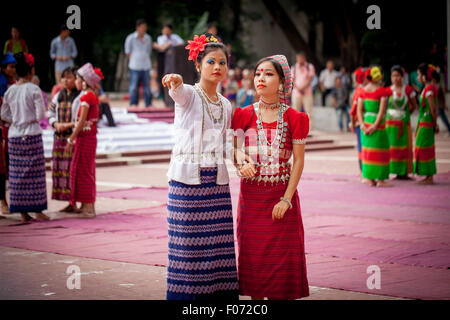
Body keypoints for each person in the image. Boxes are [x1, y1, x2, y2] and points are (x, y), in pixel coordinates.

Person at [161, 33, 238, 300]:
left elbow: (227, 143)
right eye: (210, 62)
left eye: (222, 62)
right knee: (189, 252)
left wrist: (244, 160)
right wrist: (176, 82)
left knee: (218, 250)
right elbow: (178, 93)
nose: (217, 67)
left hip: (217, 187)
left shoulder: (227, 104)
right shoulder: (190, 95)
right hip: (186, 186)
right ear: (198, 65)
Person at [232, 55, 310, 300]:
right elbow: (234, 149)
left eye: (268, 74)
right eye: (257, 74)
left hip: (282, 199)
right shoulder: (242, 114)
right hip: (252, 201)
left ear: (282, 81)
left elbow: (298, 161)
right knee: (255, 264)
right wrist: (240, 163)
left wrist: (286, 200)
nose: (260, 79)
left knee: (281, 269)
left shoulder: (295, 118)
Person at [1, 52, 49, 222]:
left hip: (14, 136)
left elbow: (4, 114)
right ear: (30, 72)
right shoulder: (34, 89)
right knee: (35, 175)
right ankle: (38, 211)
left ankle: (22, 213)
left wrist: (16, 119)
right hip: (32, 134)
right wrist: (28, 118)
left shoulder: (10, 91)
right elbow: (41, 115)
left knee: (17, 175)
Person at [65, 63, 102, 216]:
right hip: (86, 137)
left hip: (85, 138)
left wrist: (70, 139)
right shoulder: (89, 95)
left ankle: (89, 206)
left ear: (85, 81)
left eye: (78, 79)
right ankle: (85, 204)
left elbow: (81, 121)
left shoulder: (87, 96)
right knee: (83, 170)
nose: (76, 82)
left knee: (84, 171)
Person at [48, 66, 80, 212]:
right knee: (60, 169)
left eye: (69, 78)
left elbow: (81, 118)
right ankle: (69, 201)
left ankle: (74, 201)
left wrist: (67, 125)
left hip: (71, 138)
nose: (65, 81)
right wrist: (55, 123)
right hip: (59, 138)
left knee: (72, 170)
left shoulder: (79, 96)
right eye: (64, 77)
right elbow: (50, 112)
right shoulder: (58, 95)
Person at [357, 66, 391, 187]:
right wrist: (375, 126)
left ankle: (370, 179)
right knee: (380, 151)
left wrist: (362, 125)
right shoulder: (382, 91)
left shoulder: (362, 91)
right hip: (378, 124)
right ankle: (381, 180)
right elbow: (381, 112)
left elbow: (359, 111)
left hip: (366, 122)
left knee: (368, 152)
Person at [384, 65, 418, 180]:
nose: (395, 78)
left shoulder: (408, 90)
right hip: (390, 127)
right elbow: (383, 108)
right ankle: (393, 171)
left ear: (402, 76)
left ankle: (403, 172)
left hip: (403, 126)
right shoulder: (387, 90)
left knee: (404, 148)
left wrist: (404, 116)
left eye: (398, 75)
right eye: (393, 76)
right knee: (391, 148)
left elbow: (414, 106)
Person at [414, 64, 439, 184]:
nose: (418, 77)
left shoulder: (429, 89)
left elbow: (433, 109)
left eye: (419, 74)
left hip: (427, 122)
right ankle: (427, 175)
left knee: (425, 148)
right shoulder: (427, 88)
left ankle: (429, 177)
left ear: (424, 76)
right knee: (424, 148)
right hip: (425, 121)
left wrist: (435, 124)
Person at [0, 53, 16, 215]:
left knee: (11, 165)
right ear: (3, 69)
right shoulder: (2, 85)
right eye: (10, 67)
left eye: (14, 66)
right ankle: (3, 201)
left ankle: (15, 201)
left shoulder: (15, 84)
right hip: (3, 128)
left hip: (12, 129)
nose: (13, 69)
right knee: (2, 167)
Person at [125, 19, 153, 108]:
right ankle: (133, 103)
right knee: (133, 87)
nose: (144, 29)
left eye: (145, 27)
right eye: (142, 27)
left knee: (147, 87)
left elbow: (149, 51)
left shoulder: (148, 38)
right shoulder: (130, 38)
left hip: (146, 65)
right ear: (137, 27)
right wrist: (134, 59)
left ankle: (148, 104)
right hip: (134, 65)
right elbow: (128, 52)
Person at [153, 24, 184, 93]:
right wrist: (169, 44)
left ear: (170, 30)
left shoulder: (175, 37)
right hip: (163, 58)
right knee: (162, 75)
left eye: (167, 29)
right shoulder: (161, 38)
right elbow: (162, 48)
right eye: (164, 29)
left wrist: (171, 45)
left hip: (173, 59)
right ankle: (163, 94)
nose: (166, 31)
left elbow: (182, 43)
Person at [291, 52, 315, 129]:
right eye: (298, 58)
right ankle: (295, 129)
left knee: (309, 112)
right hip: (296, 93)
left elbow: (310, 79)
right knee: (295, 112)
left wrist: (303, 88)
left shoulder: (309, 66)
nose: (299, 60)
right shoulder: (294, 67)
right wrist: (298, 89)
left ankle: (310, 130)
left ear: (304, 58)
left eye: (301, 58)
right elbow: (292, 80)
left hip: (307, 93)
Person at [349, 67, 366, 174]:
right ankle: (363, 170)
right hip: (361, 122)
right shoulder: (361, 91)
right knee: (362, 146)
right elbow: (353, 110)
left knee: (362, 146)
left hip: (361, 122)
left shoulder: (359, 90)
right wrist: (353, 122)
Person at [432, 68, 450, 136]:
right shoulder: (436, 85)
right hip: (438, 105)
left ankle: (449, 129)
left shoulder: (438, 86)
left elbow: (435, 95)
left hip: (439, 105)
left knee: (443, 118)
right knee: (441, 118)